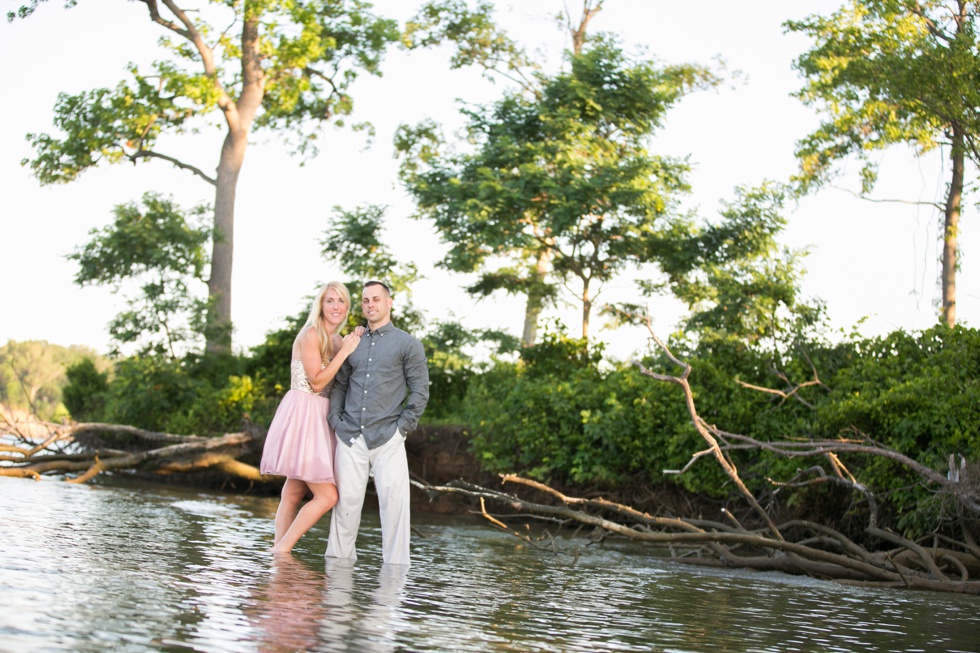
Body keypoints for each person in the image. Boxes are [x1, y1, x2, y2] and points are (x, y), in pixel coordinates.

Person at [326, 280, 429, 566]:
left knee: (395, 513)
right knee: (344, 512)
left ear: (389, 303)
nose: (370, 304)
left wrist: (402, 429)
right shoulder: (352, 342)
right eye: (365, 301)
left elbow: (420, 392)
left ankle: (392, 592)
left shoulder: (409, 344)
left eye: (376, 299)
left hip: (389, 438)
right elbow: (341, 384)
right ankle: (337, 586)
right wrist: (335, 420)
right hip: (350, 437)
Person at [260, 281, 363, 553]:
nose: (336, 306)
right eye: (330, 300)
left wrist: (356, 341)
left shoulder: (339, 341)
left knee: (293, 492)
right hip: (303, 415)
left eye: (341, 301)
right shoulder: (311, 335)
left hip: (322, 418)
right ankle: (282, 550)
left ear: (347, 307)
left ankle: (279, 557)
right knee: (327, 496)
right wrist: (344, 353)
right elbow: (317, 383)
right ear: (321, 305)